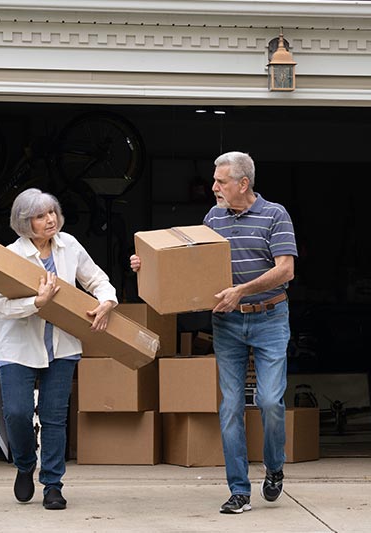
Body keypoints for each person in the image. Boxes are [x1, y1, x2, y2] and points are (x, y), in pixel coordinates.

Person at [130, 151, 297, 514]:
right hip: (228, 323)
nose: (214, 187)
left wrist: (241, 290)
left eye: (221, 181)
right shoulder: (213, 218)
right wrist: (147, 264)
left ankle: (274, 467)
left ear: (243, 183)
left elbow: (286, 271)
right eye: (215, 180)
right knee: (230, 407)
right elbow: (192, 263)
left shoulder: (275, 215)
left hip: (270, 318)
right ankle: (239, 490)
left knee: (270, 401)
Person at [0, 188, 117, 510]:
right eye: (40, 216)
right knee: (17, 413)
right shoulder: (11, 254)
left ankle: (52, 485)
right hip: (17, 347)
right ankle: (24, 465)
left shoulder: (69, 245)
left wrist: (107, 301)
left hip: (63, 345)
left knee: (53, 417)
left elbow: (96, 279)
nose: (50, 220)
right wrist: (37, 303)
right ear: (24, 222)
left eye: (52, 212)